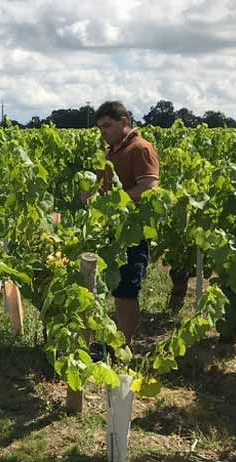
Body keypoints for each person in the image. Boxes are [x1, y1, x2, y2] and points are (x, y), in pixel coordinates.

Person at [94, 100, 160, 345]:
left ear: (124, 122)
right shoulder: (111, 151)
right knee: (112, 288)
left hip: (133, 231)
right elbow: (102, 188)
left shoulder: (140, 148)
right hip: (111, 229)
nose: (103, 133)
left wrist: (115, 202)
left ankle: (123, 345)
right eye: (100, 128)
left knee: (126, 291)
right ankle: (112, 341)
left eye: (107, 126)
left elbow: (149, 187)